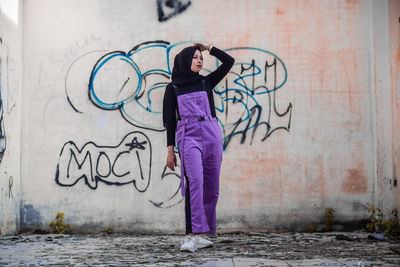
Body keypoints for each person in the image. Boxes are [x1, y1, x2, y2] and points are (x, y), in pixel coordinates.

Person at [163, 42, 235, 252]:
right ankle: (190, 236)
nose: (199, 60)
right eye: (195, 57)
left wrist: (209, 48)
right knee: (194, 182)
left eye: (200, 57)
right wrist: (170, 150)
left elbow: (229, 62)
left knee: (211, 186)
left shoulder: (205, 82)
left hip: (211, 133)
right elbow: (170, 121)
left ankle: (202, 233)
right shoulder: (173, 88)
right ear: (185, 61)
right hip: (189, 136)